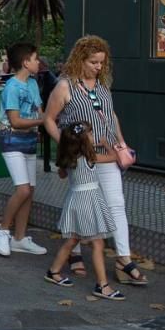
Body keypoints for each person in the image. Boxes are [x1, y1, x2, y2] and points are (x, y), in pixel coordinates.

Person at [43, 35, 145, 285]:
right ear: (80, 60)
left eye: (101, 62)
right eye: (93, 62)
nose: (98, 67)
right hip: (81, 156)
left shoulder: (102, 85)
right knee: (80, 199)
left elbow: (110, 115)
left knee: (115, 204)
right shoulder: (65, 86)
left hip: (106, 154)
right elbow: (49, 119)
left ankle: (123, 258)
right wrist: (69, 148)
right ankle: (74, 252)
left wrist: (121, 142)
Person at [45, 122, 123, 300]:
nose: (93, 136)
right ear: (84, 140)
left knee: (73, 239)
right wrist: (104, 144)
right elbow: (113, 157)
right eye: (91, 134)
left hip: (75, 201)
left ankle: (54, 271)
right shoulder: (90, 157)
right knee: (97, 243)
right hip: (89, 201)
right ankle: (102, 285)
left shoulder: (69, 159)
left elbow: (62, 175)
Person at [0, 43, 48, 257]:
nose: (38, 62)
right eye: (35, 58)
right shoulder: (11, 88)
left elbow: (38, 110)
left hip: (29, 140)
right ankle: (3, 229)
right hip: (12, 140)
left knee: (30, 191)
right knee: (23, 189)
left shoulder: (33, 84)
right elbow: (15, 121)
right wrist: (44, 121)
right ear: (26, 62)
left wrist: (41, 122)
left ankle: (20, 238)